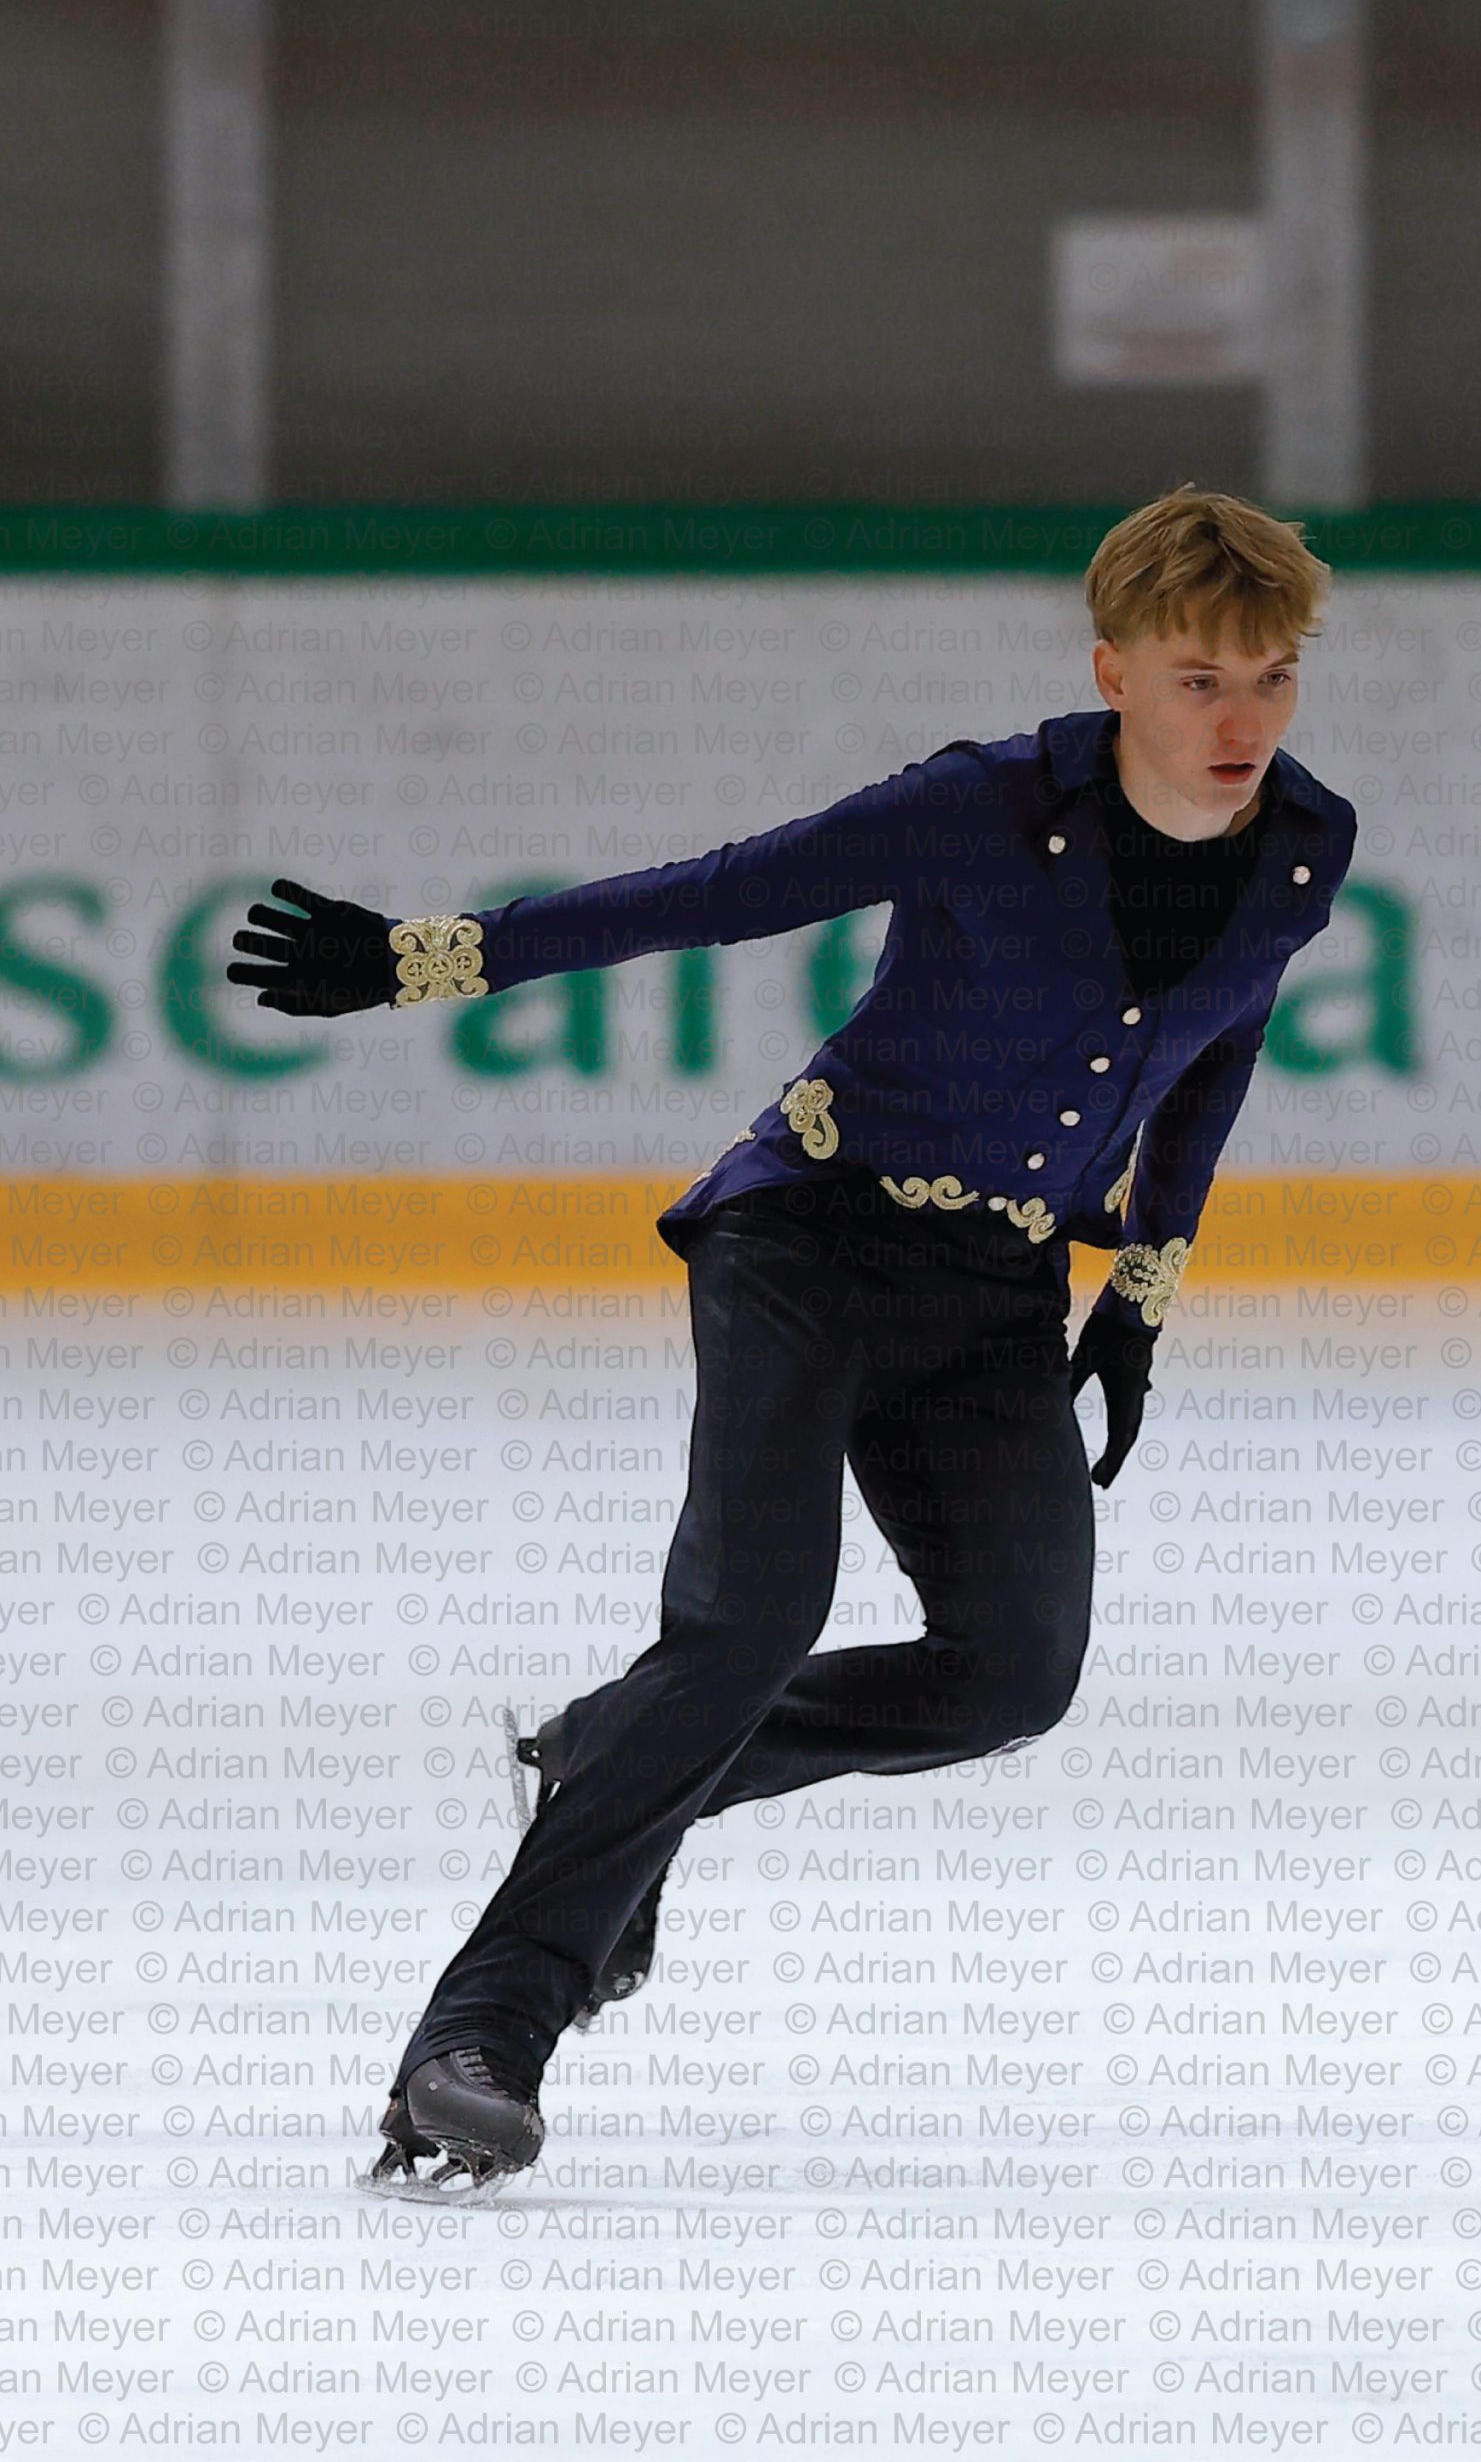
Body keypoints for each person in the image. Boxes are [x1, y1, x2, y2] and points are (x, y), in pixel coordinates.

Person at [226, 482, 1358, 2193]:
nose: (1242, 722)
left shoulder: (1300, 847)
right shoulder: (985, 807)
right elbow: (715, 893)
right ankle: (479, 2042)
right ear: (1116, 669)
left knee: (1010, 1674)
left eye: (1272, 680)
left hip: (994, 1293)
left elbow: (1217, 1046)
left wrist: (1145, 1284)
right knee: (750, 1619)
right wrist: (426, 958)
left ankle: (616, 1767)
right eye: (1204, 679)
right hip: (806, 1242)